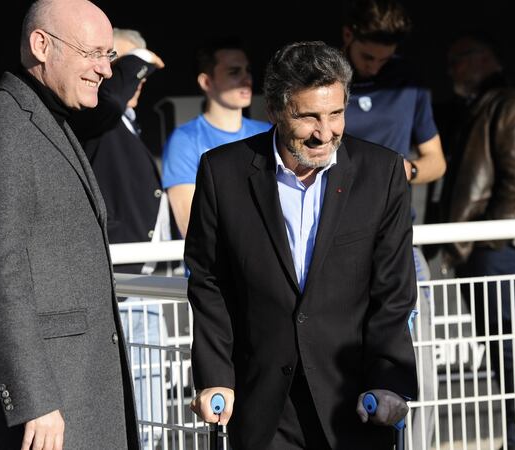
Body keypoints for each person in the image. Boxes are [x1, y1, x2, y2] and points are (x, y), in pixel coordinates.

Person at [186, 41, 418, 450]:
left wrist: (389, 381)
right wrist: (215, 377)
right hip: (261, 405)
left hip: (356, 401)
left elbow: (393, 291)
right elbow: (209, 282)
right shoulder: (222, 173)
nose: (324, 132)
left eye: (335, 114)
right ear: (274, 111)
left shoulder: (381, 175)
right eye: (308, 116)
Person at [0, 1, 139, 449]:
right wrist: (33, 398)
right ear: (41, 45)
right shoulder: (0, 128)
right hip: (46, 412)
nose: (105, 70)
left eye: (108, 56)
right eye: (93, 53)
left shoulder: (46, 121)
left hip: (77, 395)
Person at [432, 32, 515, 450]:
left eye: (458, 60)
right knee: (501, 352)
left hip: (496, 250)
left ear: (484, 59)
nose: (452, 71)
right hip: (481, 250)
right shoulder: (479, 108)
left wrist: (485, 239)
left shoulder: (511, 106)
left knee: (510, 351)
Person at [340, 0, 446, 446]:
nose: (378, 67)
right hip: (337, 247)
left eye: (385, 59)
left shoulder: (411, 83)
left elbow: (436, 160)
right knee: (341, 364)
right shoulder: (324, 80)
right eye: (369, 57)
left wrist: (407, 170)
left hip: (399, 246)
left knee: (412, 370)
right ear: (347, 36)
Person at [69, 27, 168, 449]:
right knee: (133, 423)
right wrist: (139, 57)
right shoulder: (93, 112)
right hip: (118, 290)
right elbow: (111, 94)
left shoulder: (121, 121)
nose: (131, 79)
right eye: (115, 64)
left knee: (153, 420)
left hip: (147, 287)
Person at [161, 38, 271, 238]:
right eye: (234, 72)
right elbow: (190, 224)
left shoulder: (269, 132)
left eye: (247, 70)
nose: (246, 79)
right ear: (206, 82)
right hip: (215, 267)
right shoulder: (184, 140)